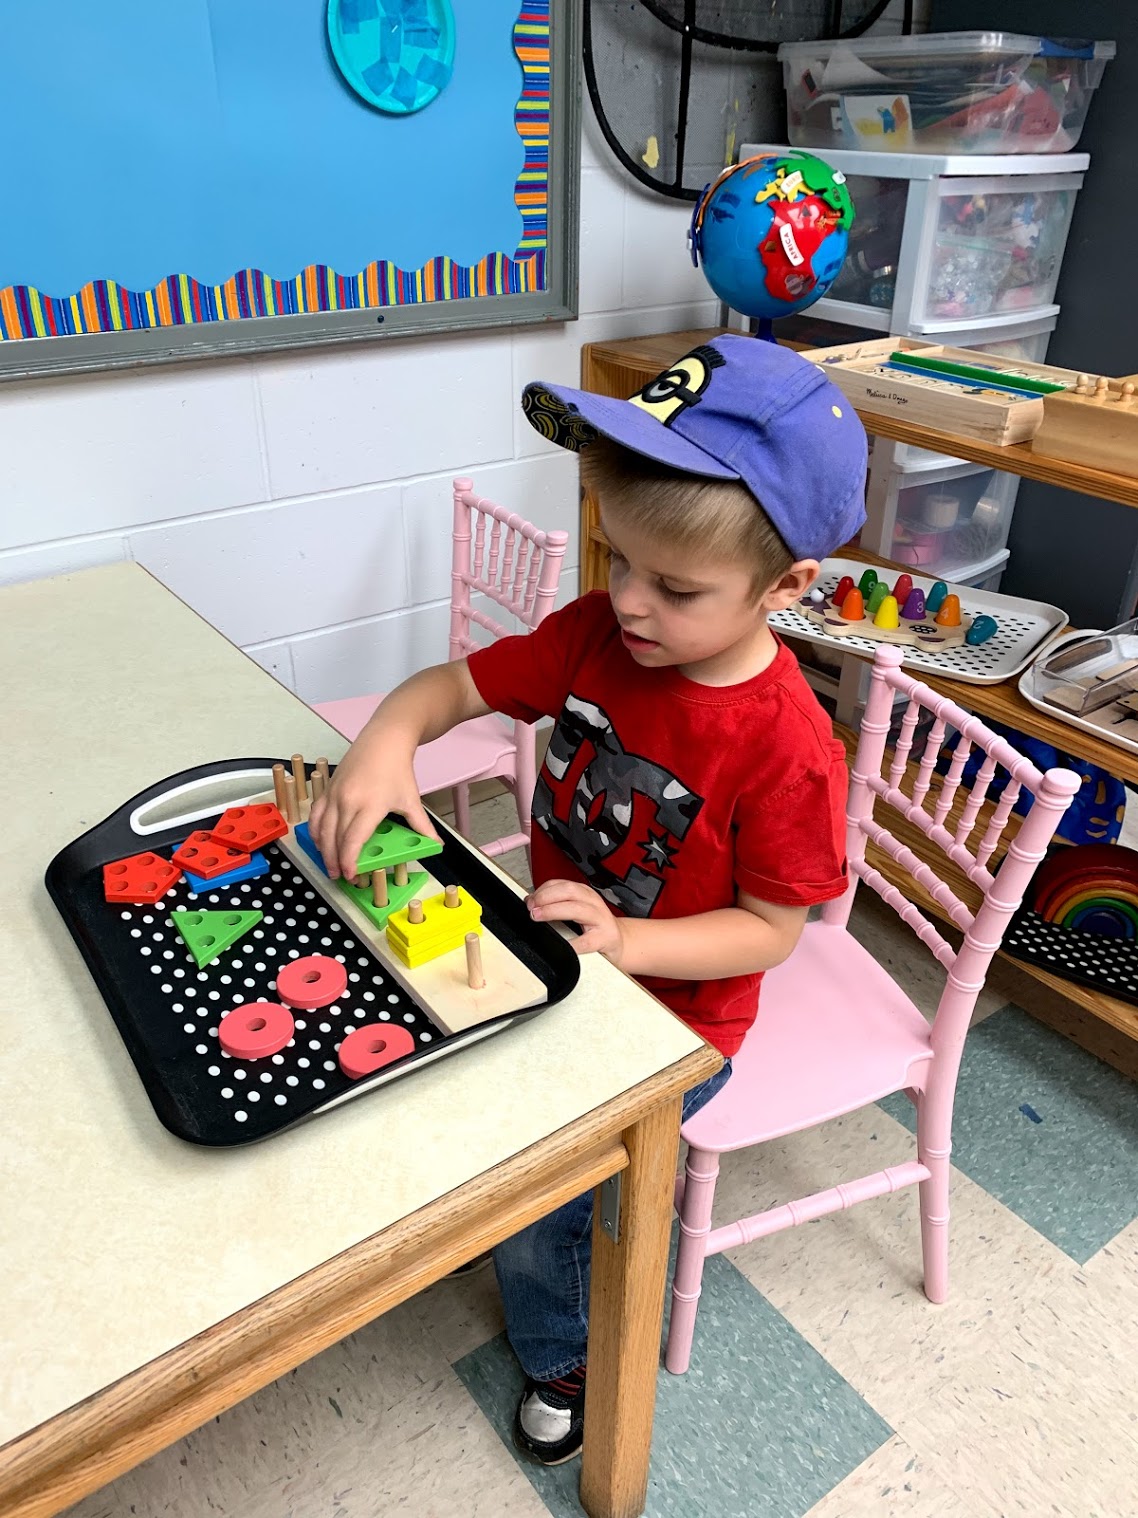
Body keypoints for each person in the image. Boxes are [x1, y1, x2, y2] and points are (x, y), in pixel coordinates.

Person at [309, 333, 867, 1465]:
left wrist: (633, 941)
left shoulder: (788, 748)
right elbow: (447, 687)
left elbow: (769, 933)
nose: (631, 605)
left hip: (679, 1027)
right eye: (618, 560)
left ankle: (562, 1349)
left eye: (676, 587)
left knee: (552, 1194)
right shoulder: (590, 639)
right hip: (560, 958)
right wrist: (386, 745)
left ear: (787, 587)